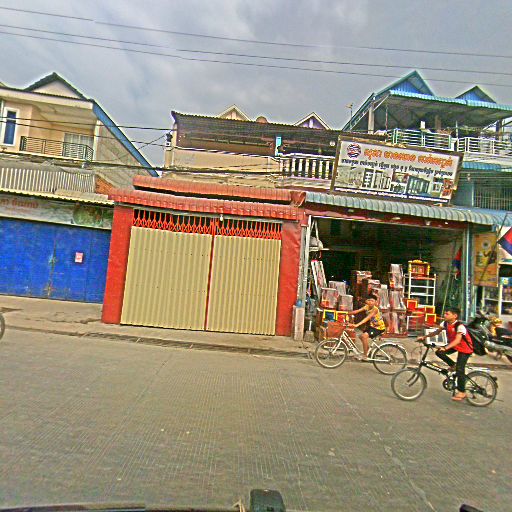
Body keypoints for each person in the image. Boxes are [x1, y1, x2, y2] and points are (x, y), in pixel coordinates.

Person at [418, 306, 474, 401]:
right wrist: (425, 337)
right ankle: (453, 365)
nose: (444, 315)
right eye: (445, 313)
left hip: (465, 349)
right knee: (439, 352)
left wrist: (445, 348)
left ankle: (462, 392)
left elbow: (457, 340)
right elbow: (436, 332)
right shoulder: (445, 323)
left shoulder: (459, 326)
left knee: (460, 369)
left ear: (455, 316)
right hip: (455, 346)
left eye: (447, 314)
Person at [347, 295, 386, 360]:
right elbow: (357, 311)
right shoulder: (367, 307)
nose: (370, 302)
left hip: (379, 328)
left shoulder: (375, 309)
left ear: (375, 302)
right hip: (372, 326)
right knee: (360, 336)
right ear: (366, 301)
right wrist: (346, 313)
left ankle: (365, 356)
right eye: (369, 300)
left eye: (372, 301)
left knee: (364, 336)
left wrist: (357, 325)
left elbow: (367, 318)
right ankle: (367, 351)